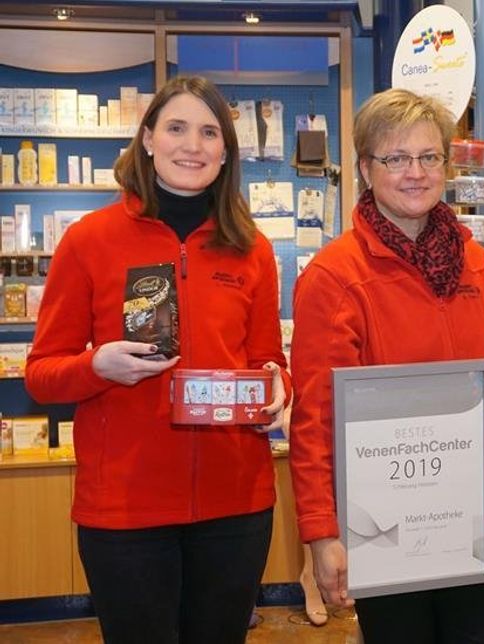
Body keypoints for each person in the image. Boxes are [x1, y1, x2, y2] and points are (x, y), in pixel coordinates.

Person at [25, 75, 289, 644]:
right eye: (176, 128)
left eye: (210, 133)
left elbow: (268, 359)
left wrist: (277, 387)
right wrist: (97, 368)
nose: (192, 145)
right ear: (147, 139)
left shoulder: (252, 248)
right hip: (125, 512)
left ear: (226, 152)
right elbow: (42, 374)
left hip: (235, 506)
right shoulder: (90, 240)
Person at [288, 88, 484, 644]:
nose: (415, 173)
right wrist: (321, 533)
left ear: (446, 164)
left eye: (429, 156)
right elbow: (314, 418)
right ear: (366, 169)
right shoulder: (334, 277)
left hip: (476, 516)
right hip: (386, 529)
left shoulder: (474, 262)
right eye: (396, 158)